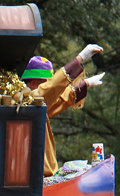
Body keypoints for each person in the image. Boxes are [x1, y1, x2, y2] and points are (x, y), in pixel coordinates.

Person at [20, 45, 105, 176]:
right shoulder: (24, 104)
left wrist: (86, 83)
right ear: (33, 84)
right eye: (45, 83)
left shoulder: (37, 107)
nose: (52, 92)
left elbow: (61, 99)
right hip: (30, 178)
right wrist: (80, 58)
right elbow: (51, 89)